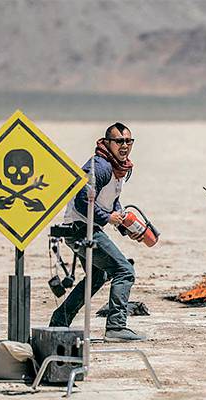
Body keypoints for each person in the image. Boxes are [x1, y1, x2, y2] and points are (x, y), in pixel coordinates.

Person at [49, 122, 145, 342]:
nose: (124, 146)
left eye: (128, 141)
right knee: (124, 270)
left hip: (83, 228)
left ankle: (59, 322)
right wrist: (108, 218)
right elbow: (83, 201)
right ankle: (116, 327)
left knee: (97, 276)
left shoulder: (118, 168)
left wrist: (124, 225)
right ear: (107, 143)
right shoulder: (100, 166)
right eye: (119, 141)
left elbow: (112, 201)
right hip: (82, 228)